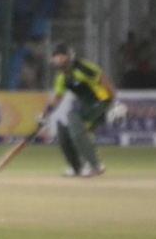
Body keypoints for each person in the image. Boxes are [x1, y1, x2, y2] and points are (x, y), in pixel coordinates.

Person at [43, 42, 118, 178]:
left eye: (62, 56)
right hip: (87, 106)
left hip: (101, 100)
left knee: (74, 120)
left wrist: (115, 103)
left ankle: (95, 165)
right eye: (56, 57)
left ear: (69, 56)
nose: (59, 59)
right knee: (63, 132)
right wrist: (45, 116)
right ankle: (76, 167)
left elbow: (104, 81)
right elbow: (56, 99)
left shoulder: (82, 67)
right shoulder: (61, 78)